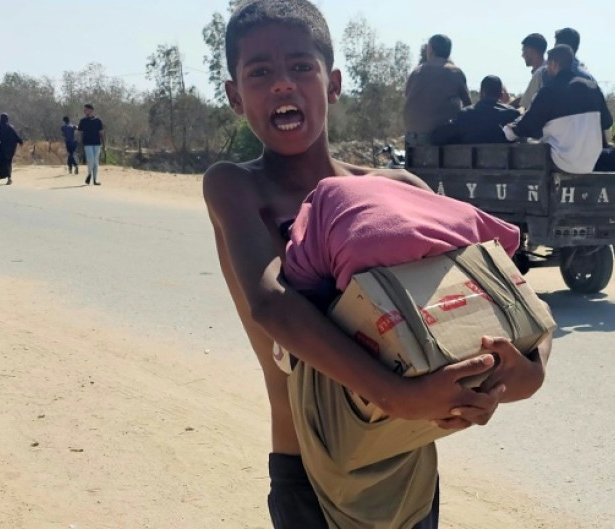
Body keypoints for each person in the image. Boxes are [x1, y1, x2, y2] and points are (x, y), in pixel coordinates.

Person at [203, 2, 547, 527]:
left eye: (301, 66)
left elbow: (497, 285)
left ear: (333, 83)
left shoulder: (398, 189)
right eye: (259, 72)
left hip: (406, 461)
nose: (281, 84)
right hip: (310, 474)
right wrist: (399, 395)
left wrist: (522, 372)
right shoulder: (237, 186)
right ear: (233, 95)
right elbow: (272, 304)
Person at [504, 45, 613, 174]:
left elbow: (529, 126)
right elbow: (607, 122)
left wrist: (510, 130)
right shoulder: (593, 88)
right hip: (591, 163)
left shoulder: (549, 91)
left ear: (553, 64)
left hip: (561, 163)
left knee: (527, 145)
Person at [403, 34, 472, 146]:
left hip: (412, 137)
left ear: (430, 50)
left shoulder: (416, 72)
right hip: (440, 138)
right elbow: (468, 106)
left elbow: (407, 96)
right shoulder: (455, 72)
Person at [431, 75, 521, 145]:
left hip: (466, 166)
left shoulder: (465, 115)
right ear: (501, 95)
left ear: (482, 93)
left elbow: (437, 138)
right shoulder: (512, 115)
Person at [515, 33, 547, 112]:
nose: (523, 55)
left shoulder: (542, 74)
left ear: (531, 50)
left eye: (524, 51)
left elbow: (527, 105)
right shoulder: (545, 71)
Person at [77, 103, 104, 185]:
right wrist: (80, 145)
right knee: (91, 160)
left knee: (96, 162)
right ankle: (89, 174)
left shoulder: (98, 121)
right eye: (84, 110)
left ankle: (95, 180)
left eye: (86, 110)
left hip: (97, 143)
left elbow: (101, 133)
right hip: (87, 143)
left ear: (91, 110)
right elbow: (80, 132)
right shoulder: (82, 121)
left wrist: (104, 145)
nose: (84, 111)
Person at [0, 113, 23, 185]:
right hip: (9, 150)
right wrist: (20, 141)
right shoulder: (10, 127)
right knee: (8, 163)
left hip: (1, 149)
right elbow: (16, 136)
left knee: (1, 162)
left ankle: (6, 176)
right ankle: (9, 177)